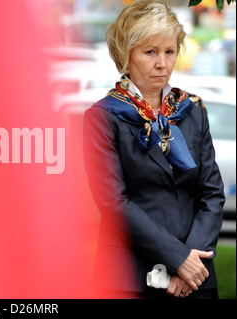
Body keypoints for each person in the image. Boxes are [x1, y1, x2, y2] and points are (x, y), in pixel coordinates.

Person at [83, 0, 225, 299]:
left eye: (169, 51)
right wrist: (178, 259)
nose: (162, 63)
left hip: (196, 279)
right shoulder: (103, 117)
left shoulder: (193, 110)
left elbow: (211, 194)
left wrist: (191, 263)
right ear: (126, 54)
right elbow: (114, 203)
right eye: (150, 52)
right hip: (130, 277)